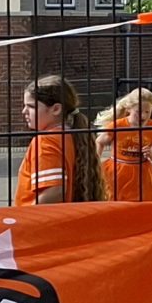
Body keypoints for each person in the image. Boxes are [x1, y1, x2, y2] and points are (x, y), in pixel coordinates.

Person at [16, 73, 105, 205]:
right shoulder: (71, 135)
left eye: (32, 106)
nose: (24, 111)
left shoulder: (46, 140)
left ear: (56, 109)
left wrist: (26, 217)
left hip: (38, 222)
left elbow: (54, 192)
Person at [97, 86, 152, 202]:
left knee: (143, 202)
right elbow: (99, 142)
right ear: (129, 109)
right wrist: (96, 161)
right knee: (113, 199)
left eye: (147, 112)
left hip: (142, 172)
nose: (143, 116)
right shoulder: (118, 125)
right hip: (117, 170)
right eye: (138, 112)